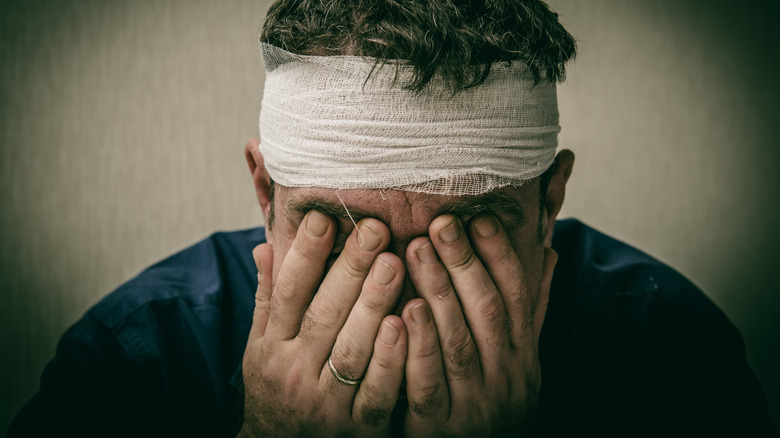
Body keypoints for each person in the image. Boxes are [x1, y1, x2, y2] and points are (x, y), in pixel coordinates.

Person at [7, 0, 778, 437]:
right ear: (265, 194)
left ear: (551, 202)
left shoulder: (671, 351)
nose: (400, 300)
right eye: (340, 232)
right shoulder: (135, 362)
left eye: (471, 229)